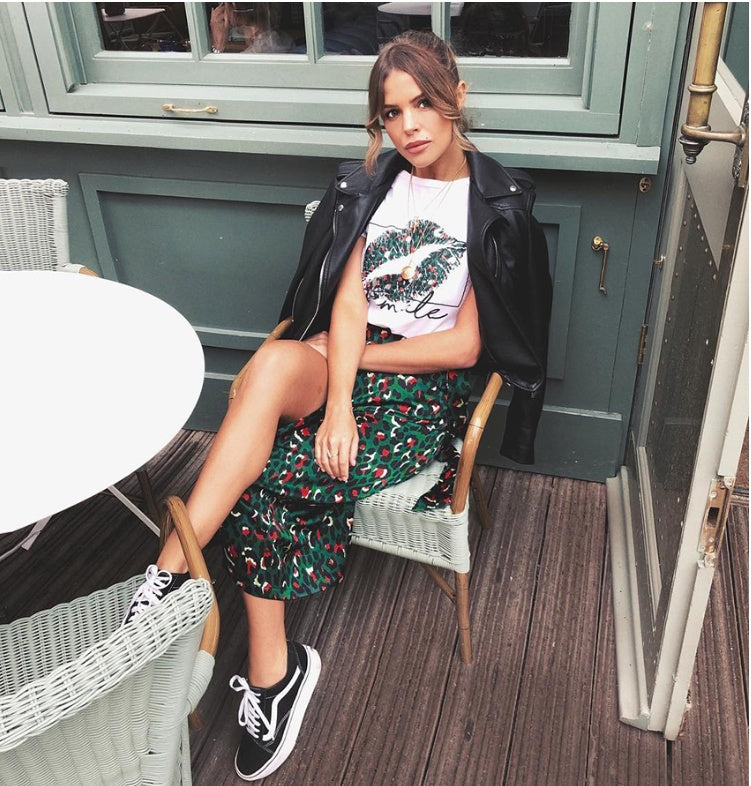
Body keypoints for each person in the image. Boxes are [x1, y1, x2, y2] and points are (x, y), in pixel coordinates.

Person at [123, 29, 551, 782]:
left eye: (423, 103)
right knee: (271, 364)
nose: (409, 126)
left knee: (266, 477)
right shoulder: (373, 185)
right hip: (350, 360)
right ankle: (166, 579)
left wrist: (349, 368)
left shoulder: (497, 205)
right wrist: (340, 400)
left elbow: (462, 348)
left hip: (419, 388)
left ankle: (272, 673)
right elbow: (348, 303)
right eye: (392, 113)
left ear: (457, 98)